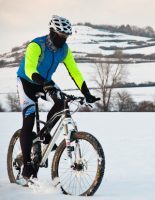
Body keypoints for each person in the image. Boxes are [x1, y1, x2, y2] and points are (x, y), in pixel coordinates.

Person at [16, 15, 99, 183]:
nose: (63, 40)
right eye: (61, 36)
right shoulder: (36, 45)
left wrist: (87, 93)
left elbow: (74, 71)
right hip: (27, 81)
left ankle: (45, 134)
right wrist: (45, 84)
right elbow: (30, 69)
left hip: (45, 82)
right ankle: (26, 164)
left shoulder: (64, 50)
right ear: (52, 32)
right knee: (28, 121)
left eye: (66, 37)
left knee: (63, 102)